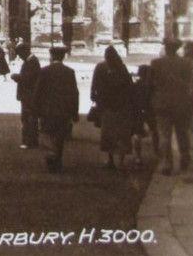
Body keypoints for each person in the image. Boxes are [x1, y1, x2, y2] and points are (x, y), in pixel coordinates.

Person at [148, 37, 193, 175]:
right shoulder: (186, 63)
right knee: (182, 133)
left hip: (162, 105)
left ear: (166, 47)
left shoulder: (156, 63)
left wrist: (149, 101)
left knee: (164, 135)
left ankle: (167, 164)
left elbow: (149, 85)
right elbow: (190, 84)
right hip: (181, 104)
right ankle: (185, 160)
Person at [33, 44, 80, 172]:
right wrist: (74, 112)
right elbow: (74, 93)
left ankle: (51, 158)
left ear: (52, 56)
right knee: (59, 136)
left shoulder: (44, 71)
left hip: (47, 109)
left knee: (48, 134)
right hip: (63, 110)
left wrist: (36, 109)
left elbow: (38, 92)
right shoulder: (69, 72)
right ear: (63, 57)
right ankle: (58, 159)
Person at [90, 44, 135, 172]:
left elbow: (94, 86)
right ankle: (120, 162)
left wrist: (95, 98)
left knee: (108, 134)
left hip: (107, 106)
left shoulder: (100, 67)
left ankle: (110, 159)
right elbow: (129, 87)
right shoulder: (121, 68)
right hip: (122, 107)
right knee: (121, 135)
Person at [11, 41, 41, 149]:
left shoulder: (31, 62)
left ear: (25, 51)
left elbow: (28, 79)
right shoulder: (31, 60)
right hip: (28, 95)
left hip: (29, 95)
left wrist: (16, 77)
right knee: (28, 118)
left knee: (28, 118)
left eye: (20, 54)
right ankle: (30, 140)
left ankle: (29, 141)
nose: (20, 56)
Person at [132, 64, 158, 166]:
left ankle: (138, 157)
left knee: (137, 135)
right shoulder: (153, 86)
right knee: (155, 132)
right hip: (150, 110)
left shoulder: (136, 85)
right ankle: (157, 152)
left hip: (139, 111)